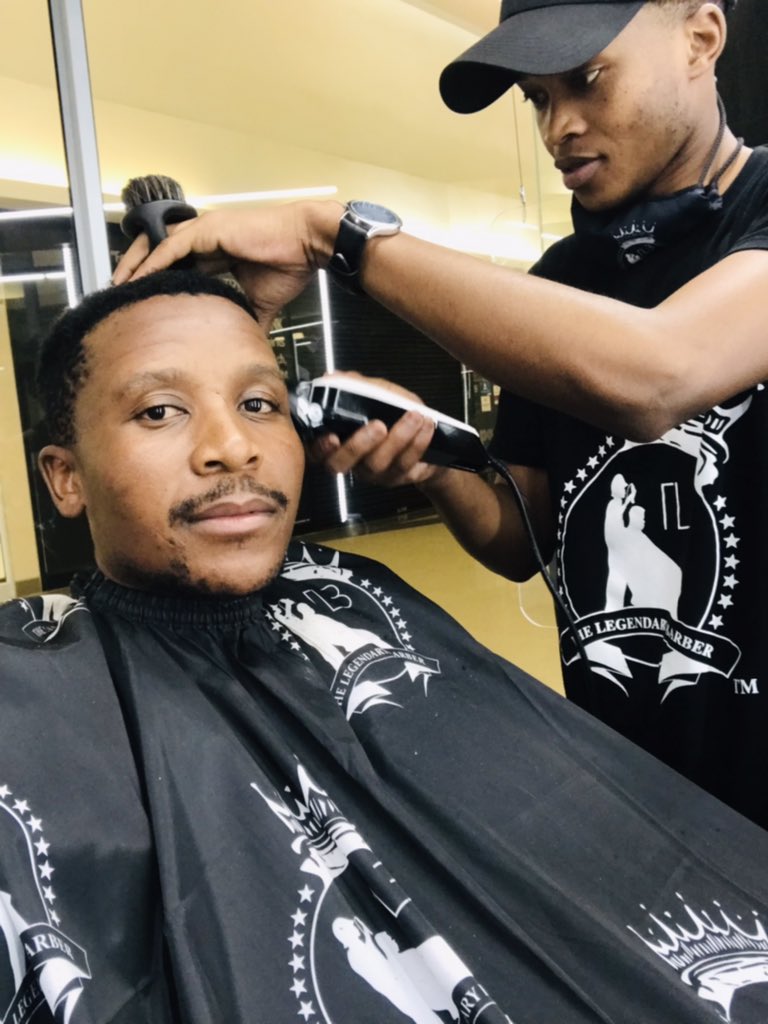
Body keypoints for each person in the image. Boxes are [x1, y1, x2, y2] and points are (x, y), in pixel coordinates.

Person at [3, 268, 768, 1023]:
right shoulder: (29, 694)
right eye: (161, 411)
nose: (233, 447)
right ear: (65, 477)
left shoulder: (359, 598)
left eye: (260, 403)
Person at [113, 0, 768, 832]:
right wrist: (436, 465)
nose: (559, 128)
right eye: (537, 99)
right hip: (634, 772)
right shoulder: (559, 281)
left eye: (587, 80)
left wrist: (334, 236)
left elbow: (661, 374)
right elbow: (523, 539)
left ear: (701, 39)